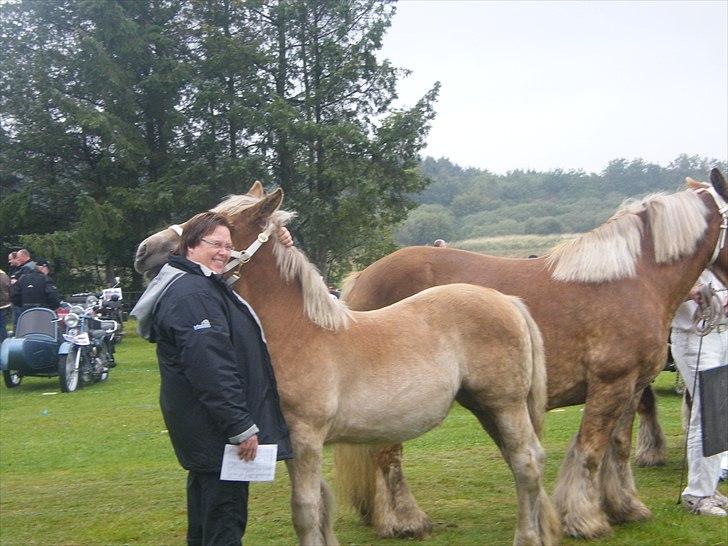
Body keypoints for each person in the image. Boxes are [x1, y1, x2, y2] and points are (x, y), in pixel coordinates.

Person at [131, 211, 293, 546]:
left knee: (206, 517)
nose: (223, 252)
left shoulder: (198, 285)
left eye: (228, 246)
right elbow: (211, 368)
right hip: (218, 434)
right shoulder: (194, 294)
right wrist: (239, 427)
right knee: (225, 520)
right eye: (215, 244)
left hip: (205, 434)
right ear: (189, 246)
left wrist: (281, 236)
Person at [670, 268, 728, 517]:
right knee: (709, 411)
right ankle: (698, 494)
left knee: (719, 411)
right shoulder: (682, 245)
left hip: (722, 332)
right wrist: (692, 291)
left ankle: (708, 486)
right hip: (694, 336)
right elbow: (665, 287)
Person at [0, 268, 10, 342]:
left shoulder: (2, 276)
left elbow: (5, 292)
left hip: (2, 305)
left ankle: (4, 344)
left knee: (1, 327)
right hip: (3, 304)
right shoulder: (3, 275)